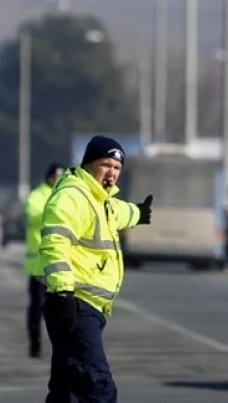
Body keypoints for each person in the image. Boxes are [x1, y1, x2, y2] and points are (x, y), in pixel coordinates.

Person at [38, 136, 154, 403]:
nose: (111, 173)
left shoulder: (100, 199)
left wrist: (138, 213)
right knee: (98, 387)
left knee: (65, 390)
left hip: (85, 306)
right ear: (89, 164)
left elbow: (118, 211)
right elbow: (56, 243)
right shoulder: (73, 196)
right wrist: (63, 293)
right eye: (105, 165)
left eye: (117, 167)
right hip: (75, 304)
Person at [24, 162, 66, 359]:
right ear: (50, 177)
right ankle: (35, 344)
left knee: (62, 309)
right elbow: (33, 216)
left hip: (60, 264)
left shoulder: (65, 195)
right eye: (57, 176)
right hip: (39, 265)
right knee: (37, 308)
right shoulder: (36, 196)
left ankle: (61, 346)